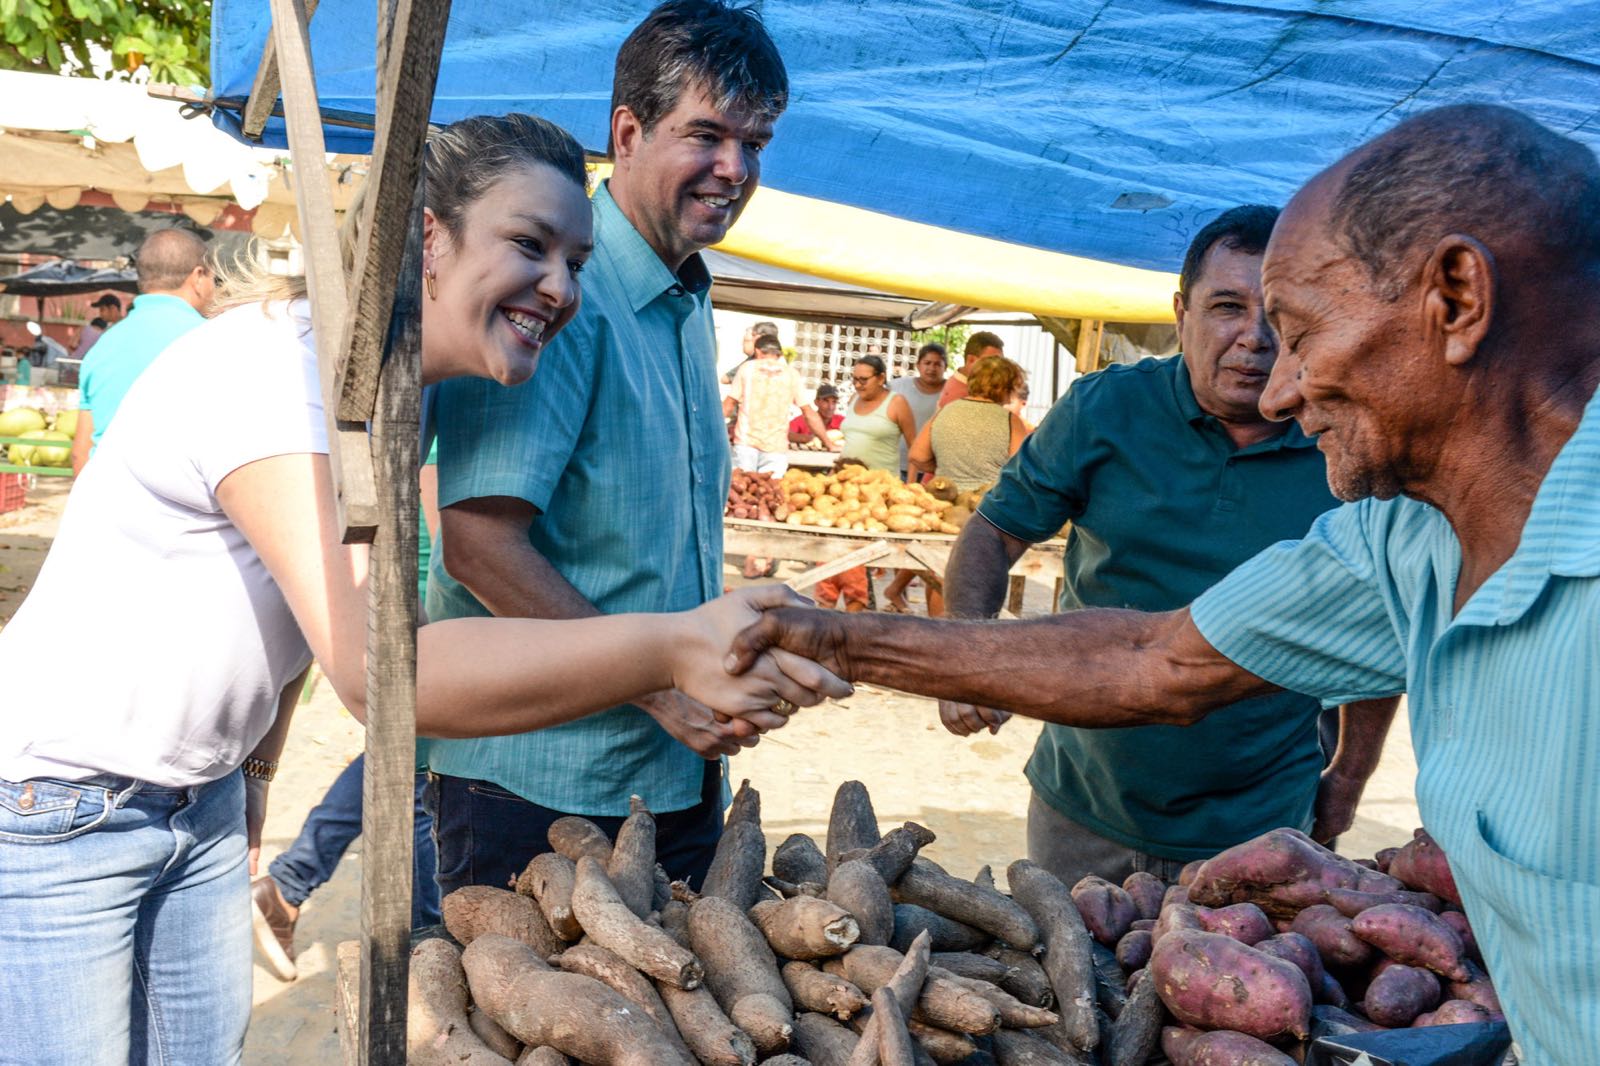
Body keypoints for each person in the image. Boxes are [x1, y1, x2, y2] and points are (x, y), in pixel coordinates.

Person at [730, 104, 1600, 1059]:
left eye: (1301, 332)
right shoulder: (1406, 535)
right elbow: (1158, 660)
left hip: (1257, 802)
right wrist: (832, 635)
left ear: (1457, 299)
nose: (1279, 385)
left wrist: (1346, 775)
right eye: (1236, 315)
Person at [0, 111, 844, 1066]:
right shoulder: (277, 374)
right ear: (431, 237)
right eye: (529, 245)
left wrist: (253, 777)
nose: (561, 288)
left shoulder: (405, 390)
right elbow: (380, 673)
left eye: (575, 260)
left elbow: (294, 613)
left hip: (196, 804)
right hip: (59, 809)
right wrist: (668, 649)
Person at [425, 0, 795, 897]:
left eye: (755, 143)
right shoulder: (552, 299)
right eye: (706, 135)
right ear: (627, 133)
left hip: (671, 773)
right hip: (537, 785)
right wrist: (661, 687)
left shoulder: (686, 294)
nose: (734, 168)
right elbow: (478, 543)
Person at [937, 207, 1397, 887]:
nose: (1254, 337)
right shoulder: (1104, 411)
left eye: (1277, 313)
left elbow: (1378, 624)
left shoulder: (1348, 441)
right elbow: (994, 531)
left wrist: (1350, 777)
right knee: (1068, 951)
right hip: (1083, 805)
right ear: (1181, 314)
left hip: (1260, 820)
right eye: (1227, 307)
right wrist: (966, 654)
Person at [249, 444, 444, 983]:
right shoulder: (434, 433)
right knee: (417, 778)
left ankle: (287, 886)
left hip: (416, 616)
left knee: (405, 769)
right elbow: (448, 548)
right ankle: (422, 940)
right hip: (424, 618)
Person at [69, 231, 213, 476]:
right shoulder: (214, 340)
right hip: (182, 496)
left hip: (104, 489)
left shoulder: (104, 345)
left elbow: (80, 453)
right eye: (213, 278)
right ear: (198, 276)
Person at [907, 354, 1029, 490]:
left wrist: (948, 470)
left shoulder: (944, 412)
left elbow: (917, 456)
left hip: (945, 495)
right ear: (1005, 388)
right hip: (987, 499)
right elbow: (1022, 468)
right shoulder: (1011, 421)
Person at [729, 333, 834, 473]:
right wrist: (829, 443)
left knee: (742, 484)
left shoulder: (747, 368)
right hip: (776, 449)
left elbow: (729, 405)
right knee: (772, 486)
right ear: (779, 354)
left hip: (746, 445)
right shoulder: (791, 374)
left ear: (757, 351)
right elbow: (808, 412)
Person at [889, 341, 948, 471]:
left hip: (934, 468)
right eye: (927, 363)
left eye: (937, 364)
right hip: (896, 465)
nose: (932, 368)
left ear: (945, 367)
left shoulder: (952, 392)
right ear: (918, 365)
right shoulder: (897, 386)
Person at [937, 330, 1005, 408]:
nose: (997, 367)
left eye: (1000, 362)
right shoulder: (958, 395)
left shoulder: (971, 385)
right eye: (990, 362)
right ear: (971, 360)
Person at [722, 318, 780, 383]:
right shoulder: (781, 360)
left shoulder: (752, 363)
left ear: (759, 338)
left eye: (746, 340)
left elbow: (725, 379)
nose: (742, 344)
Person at [789, 382, 843, 446]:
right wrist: (810, 438)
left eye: (834, 402)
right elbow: (787, 433)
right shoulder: (805, 418)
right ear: (816, 402)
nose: (830, 407)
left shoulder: (842, 421)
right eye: (826, 401)